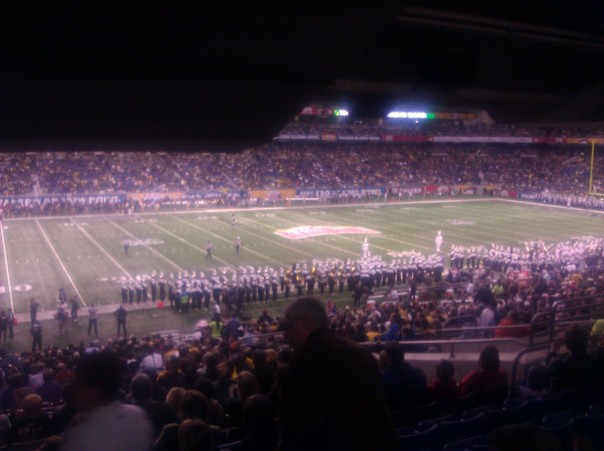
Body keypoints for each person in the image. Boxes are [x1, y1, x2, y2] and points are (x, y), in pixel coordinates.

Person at [278, 297, 398, 451]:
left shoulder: (304, 362)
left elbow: (295, 433)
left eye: (288, 327)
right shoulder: (360, 351)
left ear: (305, 324)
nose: (286, 336)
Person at [60, 351, 154, 451]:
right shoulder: (137, 415)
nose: (72, 388)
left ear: (96, 391)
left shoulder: (79, 435)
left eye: (77, 384)